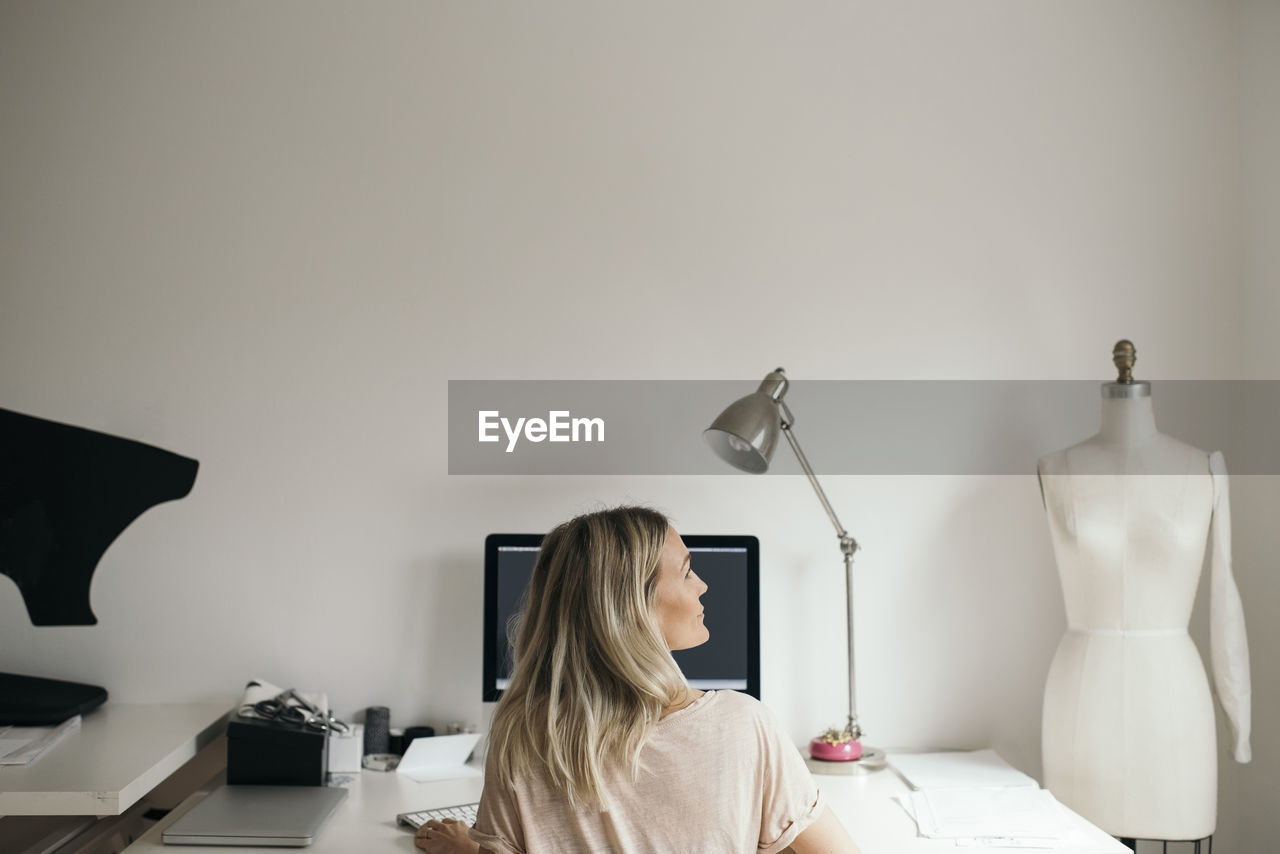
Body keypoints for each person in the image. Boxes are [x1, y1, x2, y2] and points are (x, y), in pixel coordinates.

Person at [415, 506, 860, 854]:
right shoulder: (744, 725)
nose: (703, 585)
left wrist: (465, 848)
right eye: (687, 571)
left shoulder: (522, 735)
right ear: (633, 607)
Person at [1037, 375, 1251, 843]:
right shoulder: (1057, 467)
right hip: (1081, 705)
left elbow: (1223, 595)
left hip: (1172, 706)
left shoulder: (1203, 468)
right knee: (1074, 842)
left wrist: (1240, 718)